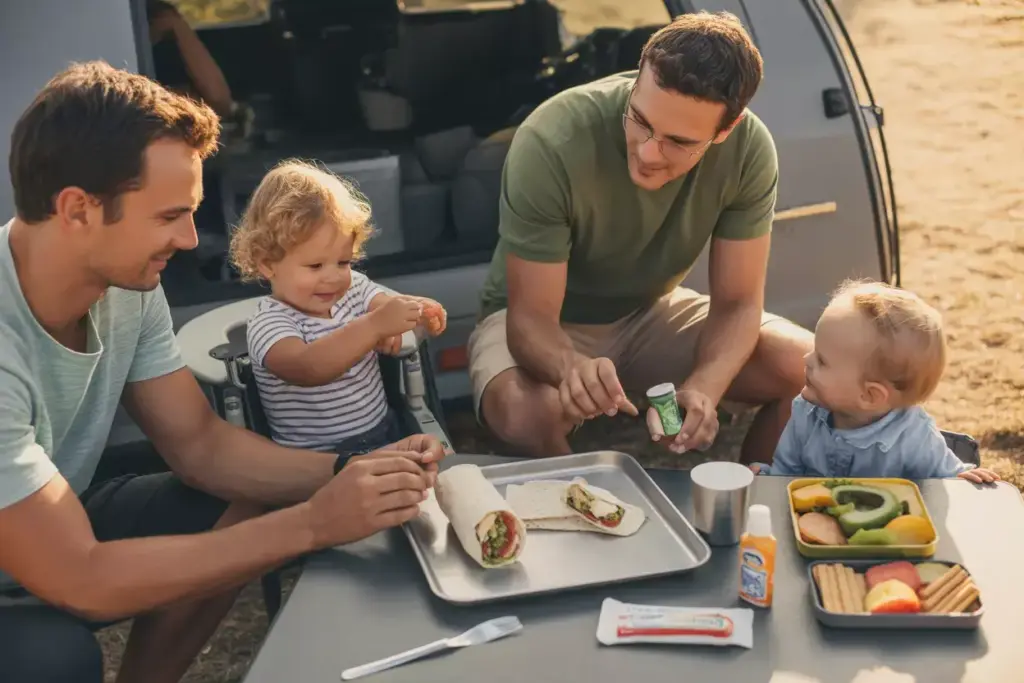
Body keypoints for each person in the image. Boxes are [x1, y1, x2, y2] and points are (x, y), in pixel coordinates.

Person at [0, 61, 445, 683]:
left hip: (50, 527)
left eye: (191, 213)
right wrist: (315, 521)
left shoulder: (128, 286)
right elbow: (82, 580)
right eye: (167, 217)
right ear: (77, 209)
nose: (189, 239)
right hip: (48, 559)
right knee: (53, 661)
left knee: (240, 499)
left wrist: (358, 473)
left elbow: (201, 446)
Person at [468, 11, 814, 463]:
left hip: (648, 312)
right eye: (640, 120)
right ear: (636, 83)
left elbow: (739, 303)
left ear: (725, 130)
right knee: (522, 413)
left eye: (678, 141)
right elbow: (530, 321)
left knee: (808, 366)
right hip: (545, 322)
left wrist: (703, 389)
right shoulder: (551, 138)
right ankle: (587, 514)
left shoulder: (750, 149)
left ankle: (753, 505)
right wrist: (572, 370)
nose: (649, 153)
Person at [228, 159, 448, 457]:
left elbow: (386, 305)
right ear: (268, 263)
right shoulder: (270, 323)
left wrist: (417, 309)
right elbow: (308, 367)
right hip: (315, 460)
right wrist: (373, 327)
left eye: (343, 262)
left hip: (384, 431)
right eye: (315, 265)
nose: (332, 277)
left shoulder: (353, 288)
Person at [749, 280, 1000, 482]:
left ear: (869, 395)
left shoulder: (913, 436)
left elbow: (944, 477)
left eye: (822, 361)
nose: (806, 359)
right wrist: (768, 478)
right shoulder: (805, 413)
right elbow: (787, 473)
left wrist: (961, 478)